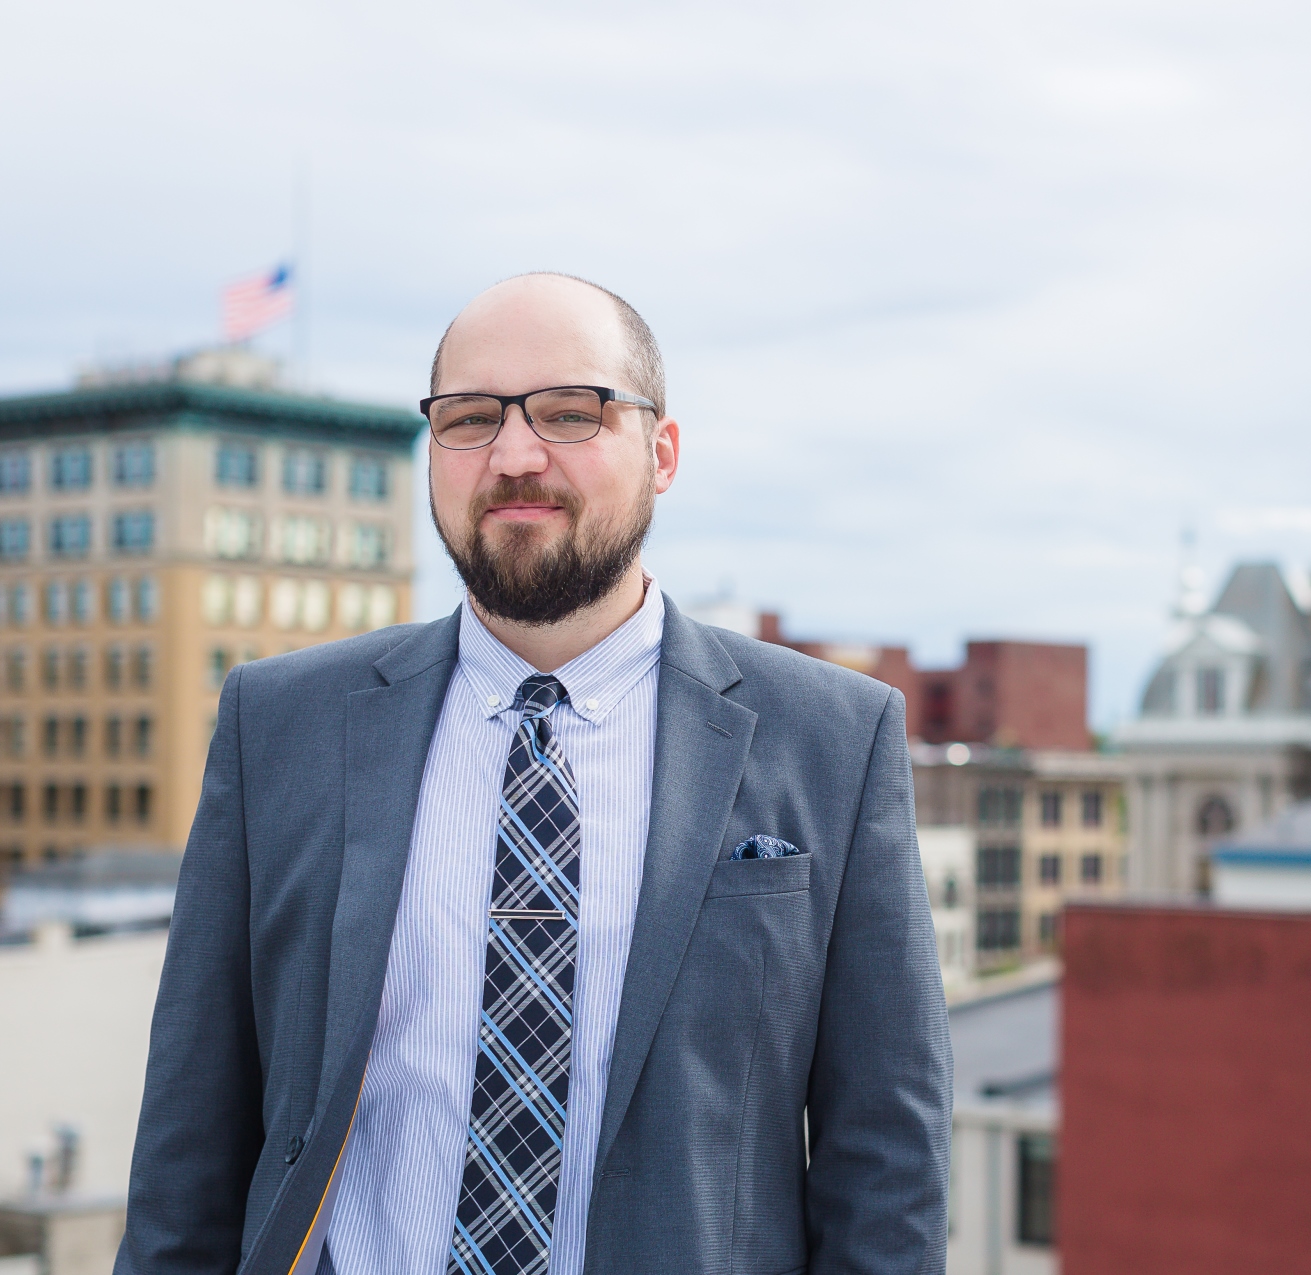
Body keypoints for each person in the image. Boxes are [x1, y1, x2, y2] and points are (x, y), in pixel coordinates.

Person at [115, 273, 952, 1275]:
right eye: (468, 419)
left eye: (569, 412)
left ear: (663, 453)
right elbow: (187, 1151)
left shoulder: (834, 740)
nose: (514, 456)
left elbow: (886, 1168)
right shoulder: (278, 725)